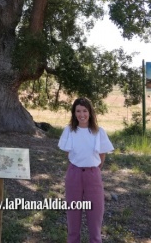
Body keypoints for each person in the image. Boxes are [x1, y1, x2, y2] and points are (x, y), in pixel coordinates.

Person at [58, 97, 114, 243]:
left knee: (95, 214)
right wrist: (77, 166)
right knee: (73, 214)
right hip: (74, 174)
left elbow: (102, 154)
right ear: (74, 113)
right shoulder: (69, 130)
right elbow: (68, 152)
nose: (81, 114)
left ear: (90, 112)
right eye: (78, 111)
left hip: (93, 174)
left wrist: (94, 169)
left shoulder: (98, 132)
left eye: (84, 111)